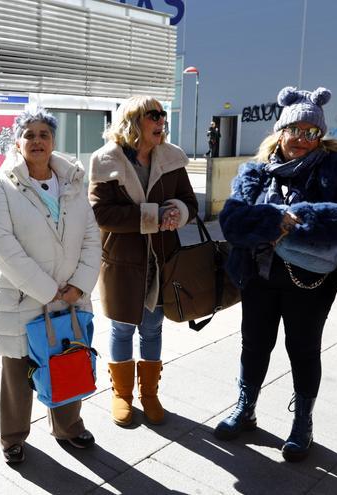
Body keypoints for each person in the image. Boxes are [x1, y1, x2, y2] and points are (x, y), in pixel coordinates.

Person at [214, 87, 337, 462]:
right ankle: (246, 407)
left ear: (320, 137)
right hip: (259, 276)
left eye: (311, 132)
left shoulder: (336, 169)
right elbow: (232, 222)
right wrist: (273, 219)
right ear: (279, 131)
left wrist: (301, 220)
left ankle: (303, 422)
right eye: (295, 130)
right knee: (254, 344)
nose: (302, 139)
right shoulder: (254, 171)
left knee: (302, 349)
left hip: (311, 282)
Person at [0, 106, 101, 465]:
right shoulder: (3, 185)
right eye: (29, 134)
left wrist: (79, 284)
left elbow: (92, 238)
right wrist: (47, 290)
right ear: (18, 142)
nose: (37, 140)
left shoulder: (74, 183)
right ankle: (14, 437)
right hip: (23, 298)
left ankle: (68, 427)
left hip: (70, 297)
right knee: (17, 373)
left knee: (67, 360)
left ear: (53, 141)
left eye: (44, 134)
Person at [88, 96, 198, 427]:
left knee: (153, 327)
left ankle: (149, 394)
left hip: (163, 259)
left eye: (164, 114)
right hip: (123, 260)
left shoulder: (171, 157)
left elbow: (191, 202)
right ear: (134, 120)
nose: (162, 120)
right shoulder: (105, 160)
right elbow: (100, 213)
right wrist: (153, 216)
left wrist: (178, 212)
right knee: (122, 328)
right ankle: (122, 394)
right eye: (155, 115)